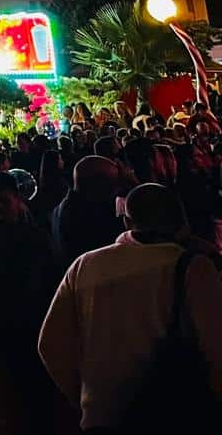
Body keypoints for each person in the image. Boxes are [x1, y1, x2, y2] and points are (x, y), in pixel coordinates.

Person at [39, 182, 222, 429]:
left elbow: (50, 344)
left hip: (101, 416)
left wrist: (85, 395)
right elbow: (215, 346)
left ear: (126, 222)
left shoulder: (84, 265)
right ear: (182, 221)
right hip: (176, 413)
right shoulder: (193, 267)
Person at [0, 169, 60, 433]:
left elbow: (53, 279)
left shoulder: (37, 235)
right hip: (2, 328)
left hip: (34, 325)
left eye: (3, 201)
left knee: (37, 392)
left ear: (18, 198)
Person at [50, 154, 126, 265]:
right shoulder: (91, 217)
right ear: (99, 186)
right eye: (113, 185)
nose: (115, 192)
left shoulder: (62, 208)